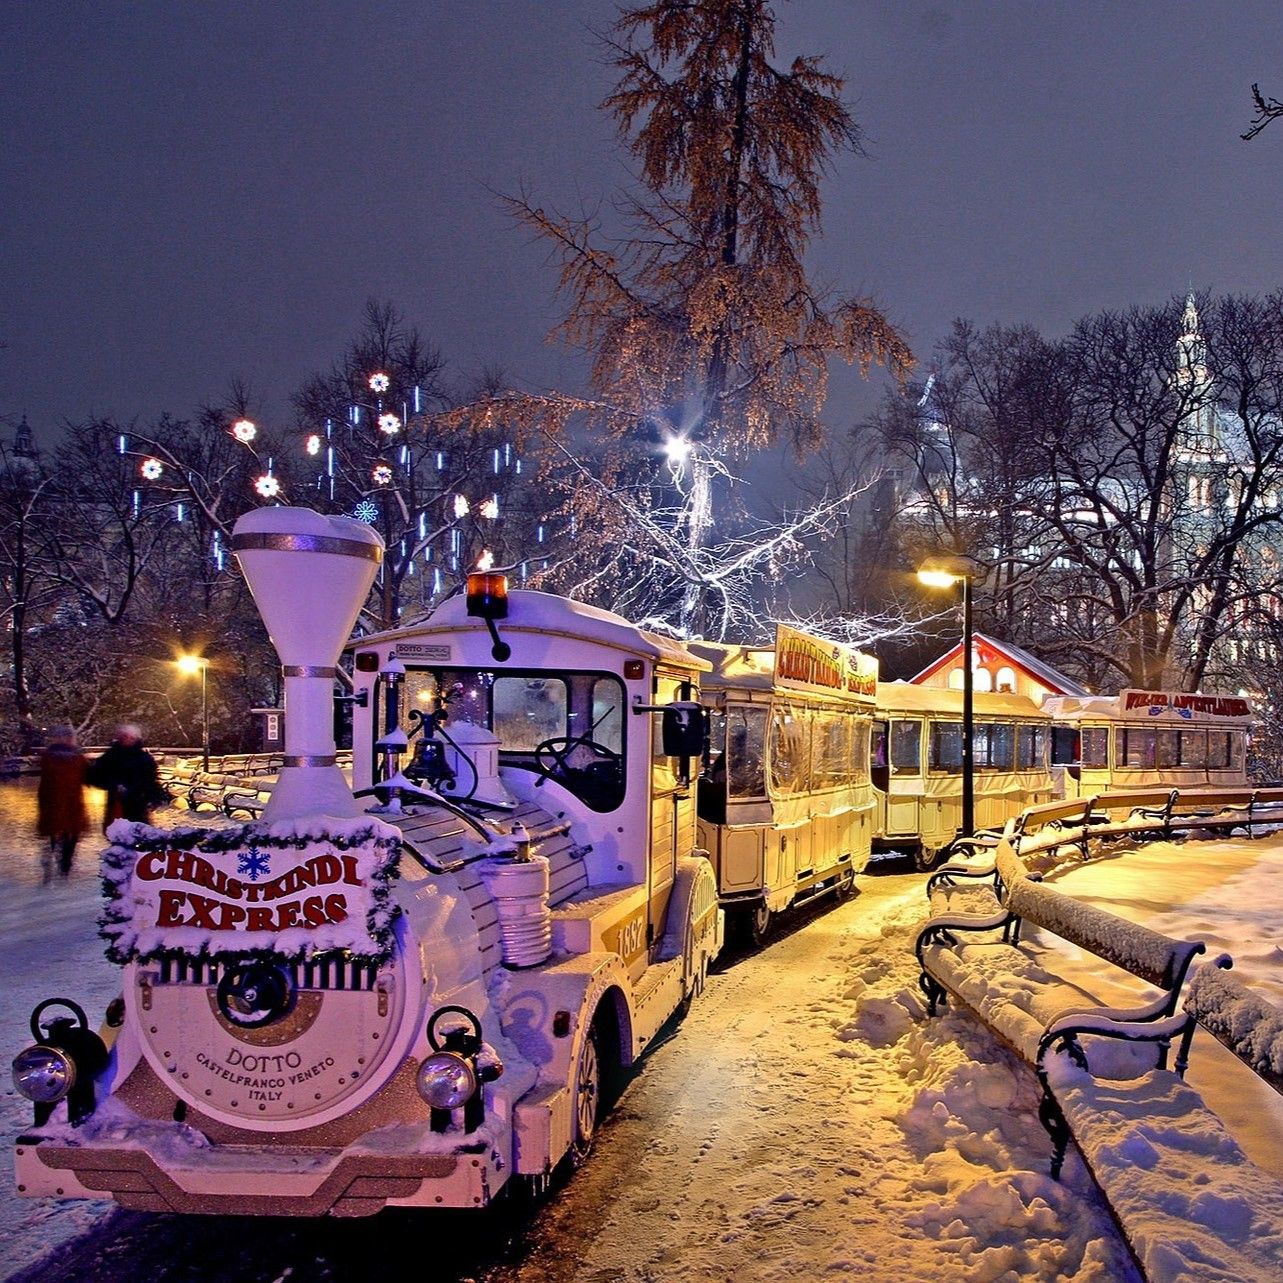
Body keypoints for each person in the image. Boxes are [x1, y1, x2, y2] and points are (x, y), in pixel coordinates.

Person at [86, 724, 161, 832]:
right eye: (125, 736)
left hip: (138, 804)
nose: (128, 740)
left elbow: (151, 780)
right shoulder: (111, 756)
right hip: (117, 804)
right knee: (119, 836)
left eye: (131, 737)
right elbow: (95, 776)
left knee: (139, 835)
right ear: (120, 737)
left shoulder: (144, 758)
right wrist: (114, 785)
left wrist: (154, 796)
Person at [36, 725, 89, 876]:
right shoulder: (72, 757)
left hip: (63, 801)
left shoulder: (53, 756)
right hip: (60, 801)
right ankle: (63, 865)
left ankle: (62, 863)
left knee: (64, 832)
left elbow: (86, 776)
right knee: (64, 832)